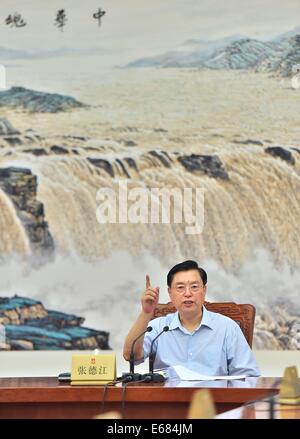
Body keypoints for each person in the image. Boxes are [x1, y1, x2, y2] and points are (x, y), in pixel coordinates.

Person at [123, 260, 260, 376]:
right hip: (168, 401)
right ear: (170, 293)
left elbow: (248, 375)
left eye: (194, 287)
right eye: (180, 287)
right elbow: (130, 356)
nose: (187, 293)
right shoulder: (159, 327)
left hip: (214, 403)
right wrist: (146, 313)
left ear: (204, 290)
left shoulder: (227, 327)